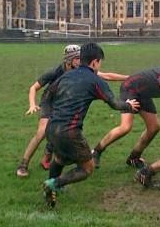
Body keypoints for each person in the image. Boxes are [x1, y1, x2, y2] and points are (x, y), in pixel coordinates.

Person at [42, 42, 140, 208]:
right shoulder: (95, 80)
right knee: (87, 168)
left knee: (60, 158)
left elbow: (47, 96)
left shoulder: (66, 75)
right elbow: (114, 103)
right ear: (94, 62)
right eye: (100, 62)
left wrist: (50, 115)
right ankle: (54, 184)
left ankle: (52, 191)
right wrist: (129, 106)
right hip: (70, 131)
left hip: (51, 127)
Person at [16, 45, 127, 177]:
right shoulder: (56, 71)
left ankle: (50, 155)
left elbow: (106, 76)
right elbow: (33, 87)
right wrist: (32, 104)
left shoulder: (83, 70)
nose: (81, 60)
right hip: (49, 101)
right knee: (42, 132)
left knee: (62, 129)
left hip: (64, 103)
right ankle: (24, 164)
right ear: (69, 60)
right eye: (77, 58)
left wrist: (128, 77)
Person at [92, 67, 160, 170]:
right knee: (125, 127)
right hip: (130, 89)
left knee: (154, 127)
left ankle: (134, 158)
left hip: (143, 94)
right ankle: (96, 151)